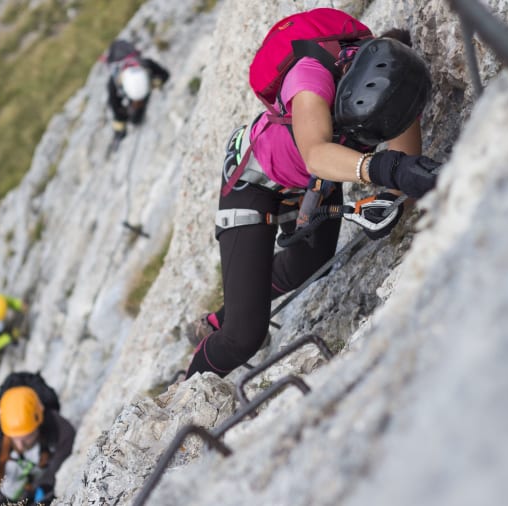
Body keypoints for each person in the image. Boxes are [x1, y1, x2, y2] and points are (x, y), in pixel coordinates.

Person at [185, 19, 442, 379]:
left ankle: (221, 316)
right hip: (255, 180)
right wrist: (386, 167)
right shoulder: (309, 76)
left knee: (308, 264)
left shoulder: (399, 91)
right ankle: (187, 390)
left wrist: (388, 199)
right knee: (243, 337)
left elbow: (400, 173)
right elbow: (317, 155)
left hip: (316, 180)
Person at [0, 383, 75, 505]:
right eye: (15, 438)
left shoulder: (60, 430)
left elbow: (60, 459)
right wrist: (2, 502)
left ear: (39, 422)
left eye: (27, 437)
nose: (20, 445)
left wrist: (44, 487)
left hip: (31, 489)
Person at [104, 39, 170, 149]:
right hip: (119, 59)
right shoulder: (113, 84)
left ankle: (134, 117)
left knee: (136, 118)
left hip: (142, 81)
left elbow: (165, 75)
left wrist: (155, 83)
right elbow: (115, 107)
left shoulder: (147, 65)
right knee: (132, 117)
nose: (138, 103)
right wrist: (120, 129)